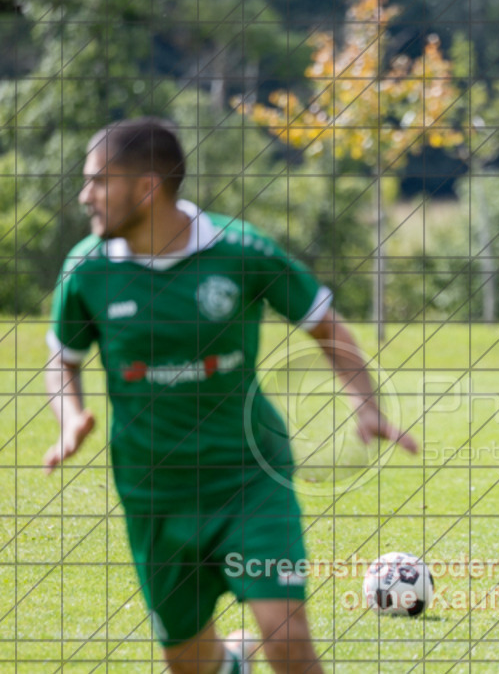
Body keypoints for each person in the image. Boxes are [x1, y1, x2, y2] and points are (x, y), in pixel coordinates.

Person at [44, 117, 418, 673]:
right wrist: (70, 416)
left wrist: (365, 401)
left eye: (99, 181)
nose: (85, 196)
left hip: (246, 477)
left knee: (286, 639)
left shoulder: (240, 251)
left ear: (146, 187)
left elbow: (325, 325)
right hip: (154, 495)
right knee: (191, 664)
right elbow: (63, 359)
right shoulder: (87, 271)